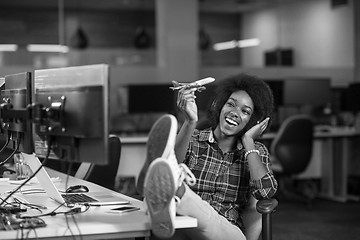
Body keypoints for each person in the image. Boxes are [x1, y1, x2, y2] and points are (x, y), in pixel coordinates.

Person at [137, 73, 278, 240]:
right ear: (219, 106)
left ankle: (177, 193)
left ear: (253, 120)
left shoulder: (256, 151)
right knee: (177, 221)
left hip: (227, 231)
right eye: (230, 104)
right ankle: (166, 192)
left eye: (245, 111)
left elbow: (265, 193)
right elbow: (171, 164)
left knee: (199, 217)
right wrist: (190, 122)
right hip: (186, 224)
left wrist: (248, 141)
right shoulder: (194, 139)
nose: (234, 112)